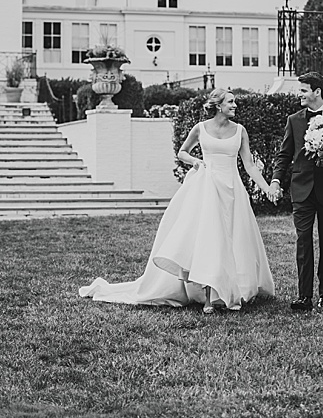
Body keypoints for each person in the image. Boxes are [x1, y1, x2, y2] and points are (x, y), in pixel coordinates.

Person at [80, 89, 278, 312]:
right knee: (209, 240)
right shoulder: (200, 128)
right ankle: (208, 298)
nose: (235, 105)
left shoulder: (240, 131)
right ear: (218, 105)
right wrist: (195, 161)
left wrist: (267, 187)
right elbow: (182, 152)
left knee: (232, 240)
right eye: (231, 102)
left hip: (233, 191)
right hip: (207, 188)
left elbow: (249, 165)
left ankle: (233, 289)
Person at [273, 71, 323, 311]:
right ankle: (304, 296)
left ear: (317, 92)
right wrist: (277, 181)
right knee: (303, 242)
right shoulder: (294, 120)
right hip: (301, 190)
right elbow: (284, 155)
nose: (300, 95)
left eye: (303, 90)